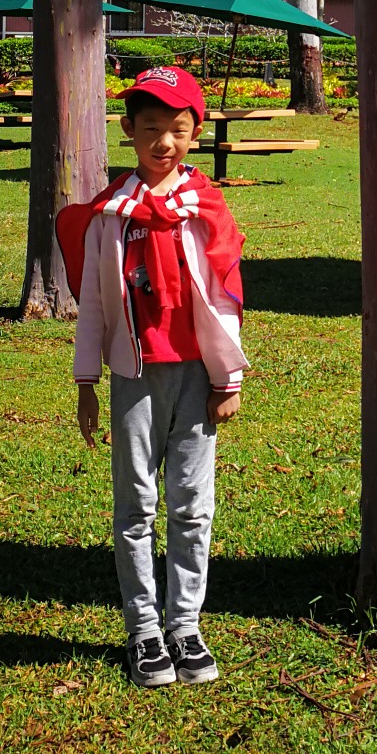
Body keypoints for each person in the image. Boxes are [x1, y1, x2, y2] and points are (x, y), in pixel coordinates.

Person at [56, 65, 247, 689]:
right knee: (136, 504)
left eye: (177, 129)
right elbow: (95, 305)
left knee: (193, 506)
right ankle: (143, 631)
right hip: (133, 378)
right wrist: (86, 385)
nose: (164, 142)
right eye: (151, 129)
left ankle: (185, 624)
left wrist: (229, 380)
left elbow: (225, 296)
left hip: (196, 375)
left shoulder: (206, 209)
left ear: (194, 133)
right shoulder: (113, 214)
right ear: (129, 131)